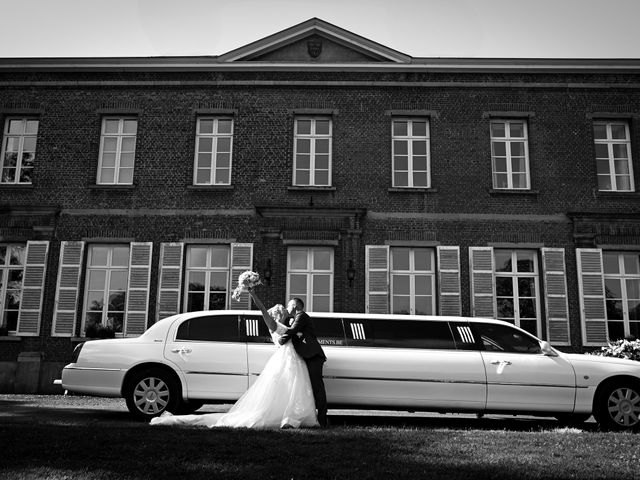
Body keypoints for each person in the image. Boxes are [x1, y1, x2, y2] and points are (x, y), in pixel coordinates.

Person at [150, 288, 318, 429]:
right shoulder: (273, 325)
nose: (285, 311)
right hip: (285, 361)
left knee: (292, 389)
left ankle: (290, 417)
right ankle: (288, 418)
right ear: (276, 315)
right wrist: (252, 293)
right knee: (287, 388)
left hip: (292, 359)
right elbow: (262, 310)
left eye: (285, 309)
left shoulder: (290, 325)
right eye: (281, 310)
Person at [278, 297, 328, 427]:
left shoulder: (302, 316)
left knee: (317, 388)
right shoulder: (295, 318)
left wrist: (280, 340)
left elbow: (292, 331)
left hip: (314, 356)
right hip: (306, 356)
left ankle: (322, 420)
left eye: (288, 305)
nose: (287, 307)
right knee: (309, 388)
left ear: (294, 305)